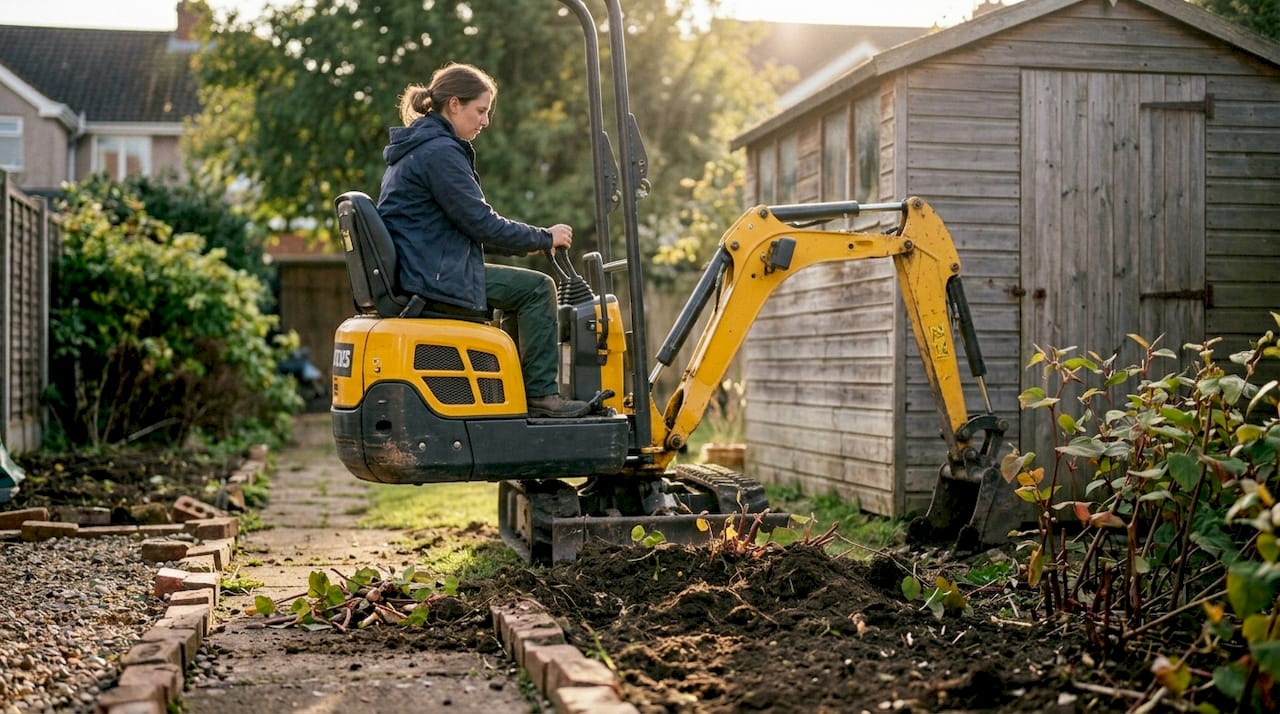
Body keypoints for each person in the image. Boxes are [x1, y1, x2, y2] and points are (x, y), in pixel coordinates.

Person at [377, 62, 590, 418]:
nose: (485, 121)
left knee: (521, 291)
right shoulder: (439, 152)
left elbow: (468, 226)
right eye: (481, 111)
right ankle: (540, 395)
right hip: (432, 276)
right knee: (538, 289)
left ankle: (514, 392)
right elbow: (482, 223)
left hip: (425, 268)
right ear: (454, 104)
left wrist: (535, 242)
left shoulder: (418, 149)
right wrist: (544, 236)